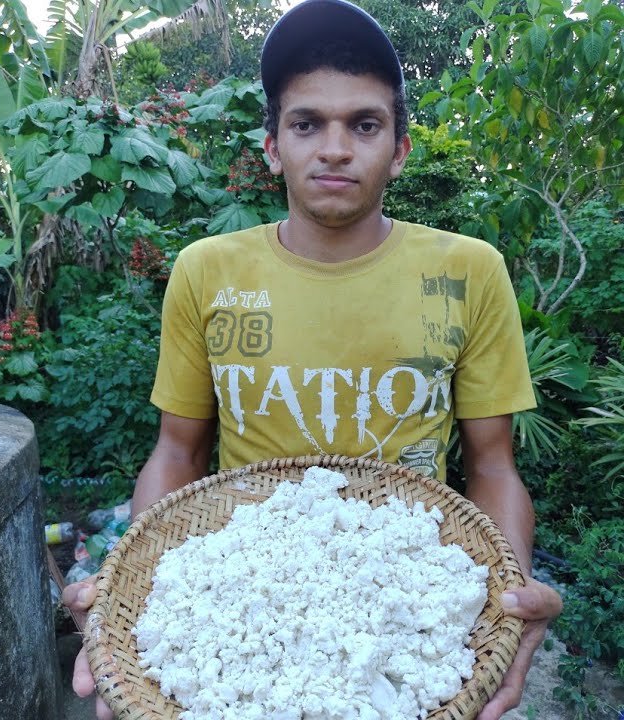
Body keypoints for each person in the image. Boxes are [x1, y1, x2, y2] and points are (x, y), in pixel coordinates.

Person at [62, 1, 563, 718]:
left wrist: (509, 594)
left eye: (364, 125)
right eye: (306, 124)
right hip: (248, 582)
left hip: (402, 589)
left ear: (400, 149)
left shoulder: (469, 271)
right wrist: (137, 593)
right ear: (272, 145)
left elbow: (491, 466)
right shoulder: (208, 271)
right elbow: (177, 452)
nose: (334, 148)